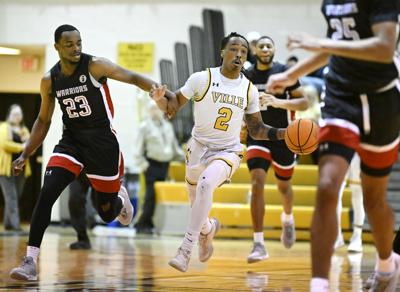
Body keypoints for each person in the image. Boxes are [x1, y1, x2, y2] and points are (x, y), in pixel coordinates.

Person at [9, 24, 172, 281]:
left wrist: (161, 92)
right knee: (47, 191)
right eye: (69, 44)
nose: (76, 48)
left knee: (106, 213)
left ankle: (119, 195)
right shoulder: (50, 80)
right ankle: (30, 260)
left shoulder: (95, 65)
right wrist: (25, 153)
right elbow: (43, 121)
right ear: (57, 47)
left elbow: (130, 76)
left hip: (102, 144)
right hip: (71, 143)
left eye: (79, 43)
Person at [266, 1, 400, 291]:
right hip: (340, 97)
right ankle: (320, 285)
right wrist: (292, 75)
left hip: (381, 100)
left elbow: (384, 47)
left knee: (374, 199)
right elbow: (333, 48)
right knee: (327, 186)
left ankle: (388, 265)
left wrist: (319, 41)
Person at [149, 32, 287, 273]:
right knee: (196, 202)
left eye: (244, 51)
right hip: (198, 147)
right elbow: (172, 107)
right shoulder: (202, 79)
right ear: (223, 52)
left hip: (228, 150)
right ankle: (207, 229)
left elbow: (256, 129)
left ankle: (185, 250)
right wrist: (161, 101)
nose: (239, 54)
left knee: (204, 185)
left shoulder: (248, 89)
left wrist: (282, 134)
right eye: (234, 49)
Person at [243, 36, 308, 263]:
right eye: (260, 45)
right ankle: (258, 243)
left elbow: (304, 102)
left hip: (283, 137)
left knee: (284, 187)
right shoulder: (248, 75)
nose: (264, 48)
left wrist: (277, 102)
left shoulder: (283, 73)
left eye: (269, 45)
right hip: (257, 136)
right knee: (256, 183)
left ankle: (288, 219)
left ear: (274, 49)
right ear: (255, 50)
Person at [133, 101, 185, 234]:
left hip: (165, 166)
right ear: (149, 111)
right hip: (152, 165)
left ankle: (150, 223)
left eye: (157, 108)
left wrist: (186, 159)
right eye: (153, 109)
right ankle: (142, 223)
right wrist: (144, 166)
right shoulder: (144, 127)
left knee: (159, 197)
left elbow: (174, 148)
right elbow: (137, 150)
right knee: (150, 196)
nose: (155, 111)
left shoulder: (167, 126)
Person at [0, 104, 31, 231]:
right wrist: (22, 146)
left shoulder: (24, 129)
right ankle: (15, 225)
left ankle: (7, 223)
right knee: (11, 197)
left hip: (20, 169)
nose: (16, 116)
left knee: (15, 196)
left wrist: (27, 145)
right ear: (9, 115)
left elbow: (31, 147)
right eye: (14, 114)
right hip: (6, 168)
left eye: (19, 114)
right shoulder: (4, 127)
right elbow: (4, 144)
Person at [334, 153, 365, 253]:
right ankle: (337, 235)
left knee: (357, 195)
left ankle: (357, 237)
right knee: (334, 194)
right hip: (341, 148)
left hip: (359, 150)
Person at [68, 172, 96, 250]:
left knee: (102, 202)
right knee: (75, 199)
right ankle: (83, 239)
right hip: (79, 168)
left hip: (99, 167)